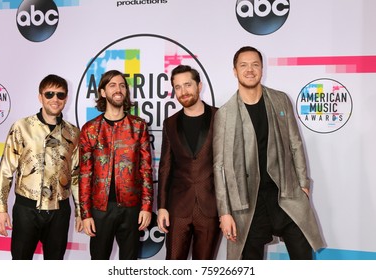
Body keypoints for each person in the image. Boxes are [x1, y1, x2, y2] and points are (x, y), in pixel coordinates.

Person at [213, 46, 325, 260]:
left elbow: (295, 143)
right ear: (235, 71)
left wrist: (304, 184)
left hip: (285, 193)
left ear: (262, 69)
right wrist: (225, 212)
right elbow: (219, 167)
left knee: (303, 257)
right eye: (243, 65)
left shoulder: (280, 100)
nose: (250, 70)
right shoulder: (224, 115)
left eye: (255, 64)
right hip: (248, 202)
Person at [0, 74, 83, 260]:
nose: (55, 99)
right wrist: (0, 209)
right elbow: (6, 170)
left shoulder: (73, 132)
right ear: (40, 97)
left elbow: (76, 176)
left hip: (60, 211)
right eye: (49, 94)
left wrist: (81, 212)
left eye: (60, 94)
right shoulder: (22, 127)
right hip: (27, 209)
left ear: (66, 98)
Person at [79, 69, 153, 260]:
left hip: (131, 208)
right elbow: (85, 174)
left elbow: (145, 169)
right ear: (103, 92)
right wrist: (85, 213)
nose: (118, 89)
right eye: (112, 85)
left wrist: (146, 206)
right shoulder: (90, 129)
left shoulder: (138, 126)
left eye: (122, 85)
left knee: (128, 264)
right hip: (100, 209)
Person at [157, 65, 220, 260]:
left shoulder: (220, 117)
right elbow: (165, 167)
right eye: (177, 87)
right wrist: (162, 207)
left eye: (187, 85)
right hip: (178, 208)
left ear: (199, 86)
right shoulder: (170, 123)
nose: (183, 92)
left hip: (210, 206)